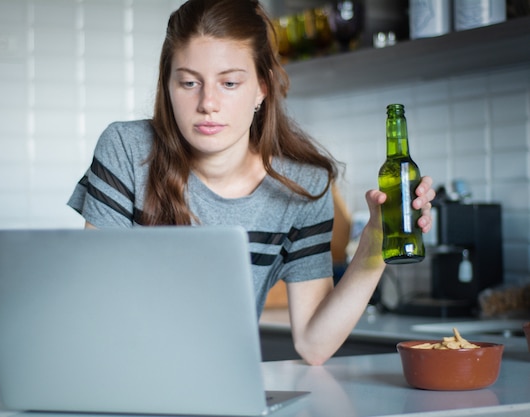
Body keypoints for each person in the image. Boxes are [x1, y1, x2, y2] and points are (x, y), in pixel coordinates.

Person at [68, 0, 435, 366]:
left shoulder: (303, 188)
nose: (207, 103)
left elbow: (314, 344)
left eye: (229, 82)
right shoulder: (126, 150)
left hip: (223, 386)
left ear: (262, 87)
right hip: (121, 374)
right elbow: (97, 300)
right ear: (167, 86)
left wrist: (375, 244)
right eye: (189, 82)